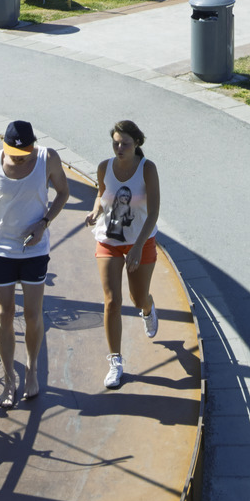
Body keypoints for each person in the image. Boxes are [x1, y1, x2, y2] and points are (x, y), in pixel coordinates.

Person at [0, 119, 69, 404]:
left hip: (34, 251)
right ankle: (8, 377)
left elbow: (63, 193)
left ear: (33, 147)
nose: (17, 159)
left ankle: (31, 370)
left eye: (23, 154)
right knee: (3, 314)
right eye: (13, 154)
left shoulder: (47, 158)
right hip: (1, 249)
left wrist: (45, 223)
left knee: (32, 315)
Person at [89, 120, 162, 391]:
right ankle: (115, 362)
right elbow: (101, 193)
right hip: (109, 240)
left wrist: (136, 247)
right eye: (116, 143)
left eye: (125, 144)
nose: (119, 148)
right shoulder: (104, 167)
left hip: (139, 241)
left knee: (137, 297)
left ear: (137, 144)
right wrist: (95, 211)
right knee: (112, 301)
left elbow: (153, 212)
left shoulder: (147, 169)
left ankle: (147, 308)